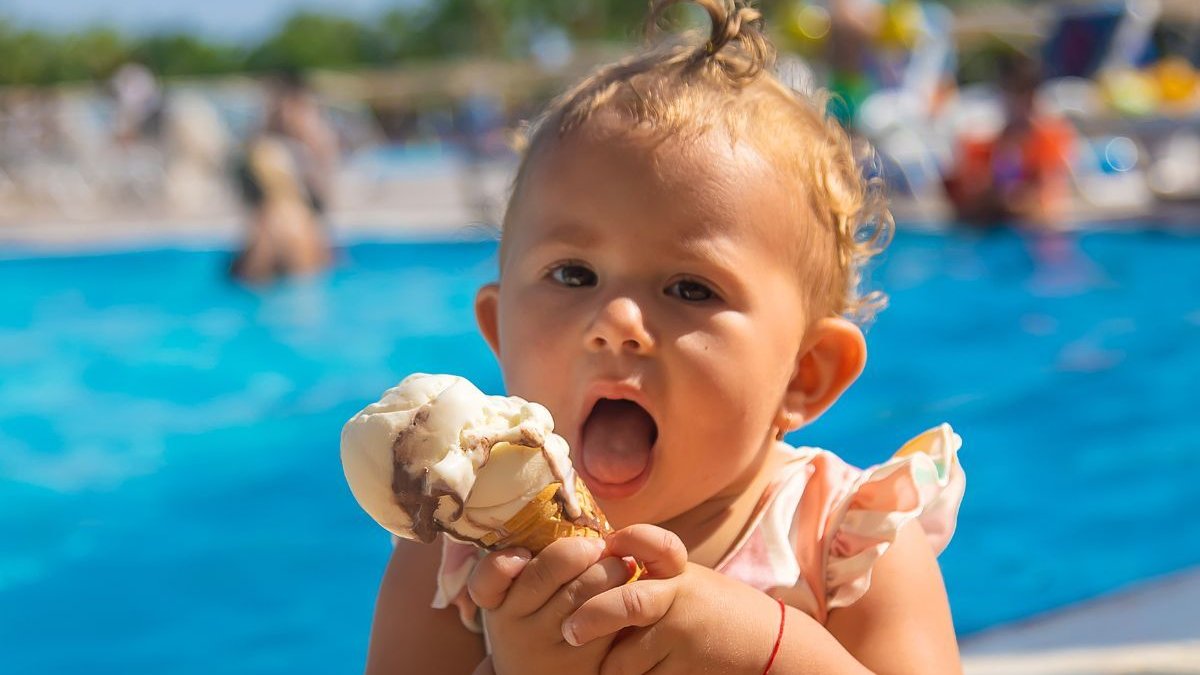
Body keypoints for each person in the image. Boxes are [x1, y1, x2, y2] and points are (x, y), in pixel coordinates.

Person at [366, 2, 965, 673]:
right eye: (573, 273)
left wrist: (773, 648)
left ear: (805, 373)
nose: (616, 321)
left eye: (689, 289)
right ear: (498, 333)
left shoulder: (845, 547)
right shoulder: (454, 557)